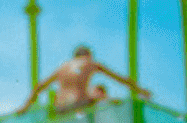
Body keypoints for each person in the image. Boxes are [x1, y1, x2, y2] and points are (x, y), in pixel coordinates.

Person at [19, 45, 152, 116]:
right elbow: (122, 79)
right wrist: (140, 90)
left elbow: (39, 86)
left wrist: (24, 108)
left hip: (59, 109)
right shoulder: (91, 63)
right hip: (78, 105)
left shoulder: (63, 66)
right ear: (88, 55)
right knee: (99, 95)